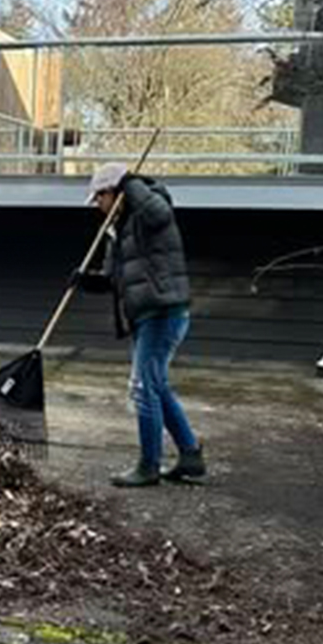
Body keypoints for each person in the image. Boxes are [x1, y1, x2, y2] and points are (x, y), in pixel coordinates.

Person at [72, 162, 206, 488]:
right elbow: (114, 279)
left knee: (143, 387)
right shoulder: (116, 231)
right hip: (145, 316)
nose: (97, 205)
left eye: (100, 197)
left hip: (164, 311)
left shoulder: (150, 210)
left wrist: (130, 183)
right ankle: (190, 455)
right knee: (156, 385)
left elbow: (158, 214)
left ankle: (149, 466)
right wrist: (87, 281)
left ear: (115, 191)